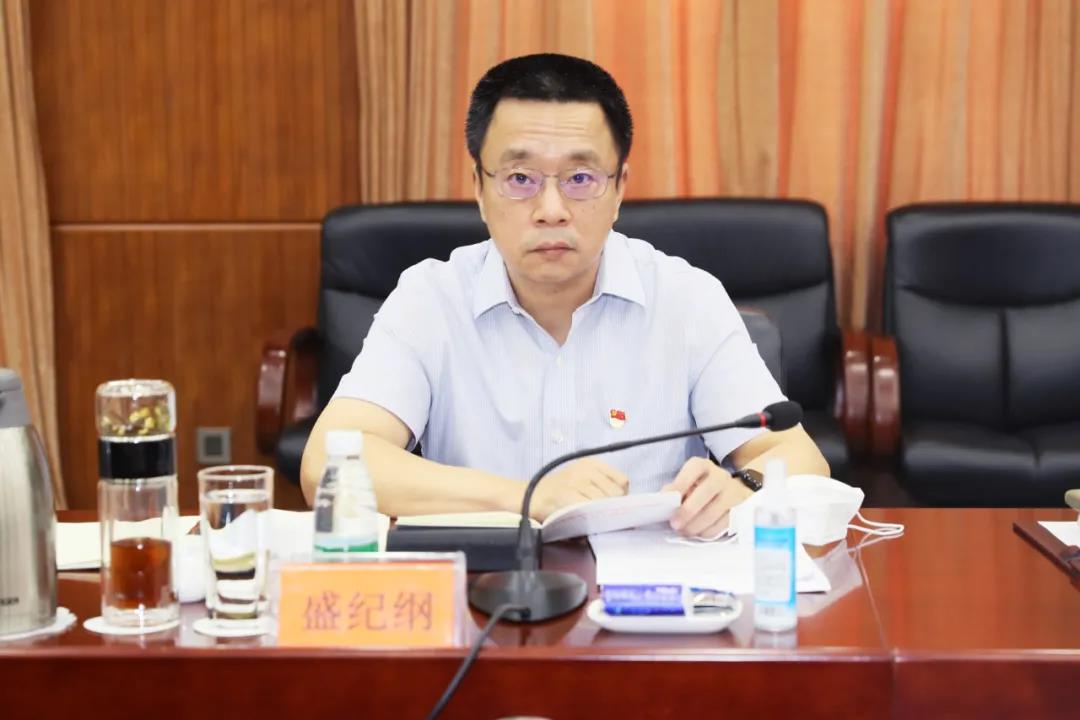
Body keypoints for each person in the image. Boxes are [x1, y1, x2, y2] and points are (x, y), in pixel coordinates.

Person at [300, 53, 828, 537]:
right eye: (520, 178)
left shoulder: (687, 300)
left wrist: (743, 488)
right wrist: (527, 497)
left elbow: (799, 459)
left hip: (648, 594)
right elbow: (329, 466)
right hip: (483, 588)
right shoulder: (431, 299)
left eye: (580, 177)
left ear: (619, 188)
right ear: (479, 189)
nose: (551, 209)